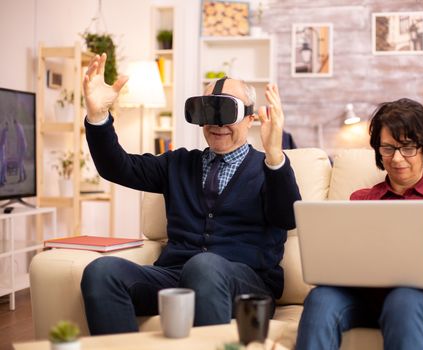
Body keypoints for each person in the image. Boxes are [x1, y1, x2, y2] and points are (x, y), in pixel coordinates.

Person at [80, 53, 301, 335]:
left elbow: (287, 216)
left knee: (204, 266)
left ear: (251, 118)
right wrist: (98, 117)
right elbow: (118, 168)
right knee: (101, 272)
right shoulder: (178, 163)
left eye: (228, 113)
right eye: (209, 111)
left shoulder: (268, 168)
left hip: (246, 283)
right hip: (175, 275)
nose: (218, 124)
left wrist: (274, 156)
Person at [295, 98, 423, 350]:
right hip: (365, 299)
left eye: (407, 147)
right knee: (320, 298)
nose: (397, 159)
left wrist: (421, 267)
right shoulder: (362, 199)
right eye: (388, 148)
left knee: (402, 300)